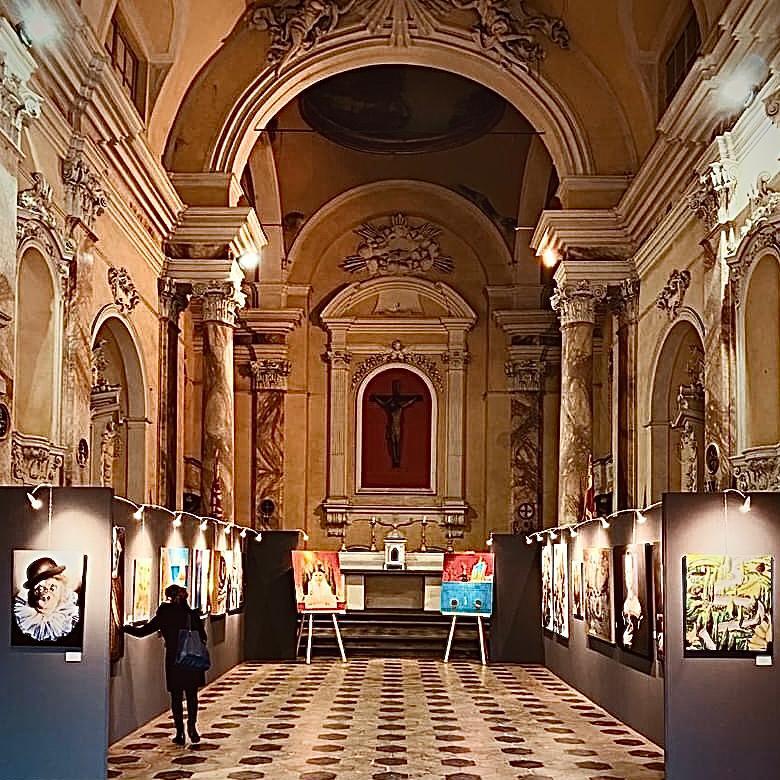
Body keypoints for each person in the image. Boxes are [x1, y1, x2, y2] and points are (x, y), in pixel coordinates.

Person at [125, 585, 207, 745]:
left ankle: (180, 733)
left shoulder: (165, 614)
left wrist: (125, 628)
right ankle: (192, 727)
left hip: (174, 660)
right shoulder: (191, 614)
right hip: (192, 659)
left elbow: (143, 631)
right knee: (192, 696)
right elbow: (203, 637)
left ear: (169, 597)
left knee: (176, 697)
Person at [13, 556, 80, 643]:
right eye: (38, 591)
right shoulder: (25, 617)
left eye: (51, 588)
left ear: (60, 584)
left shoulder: (71, 609)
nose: (45, 596)